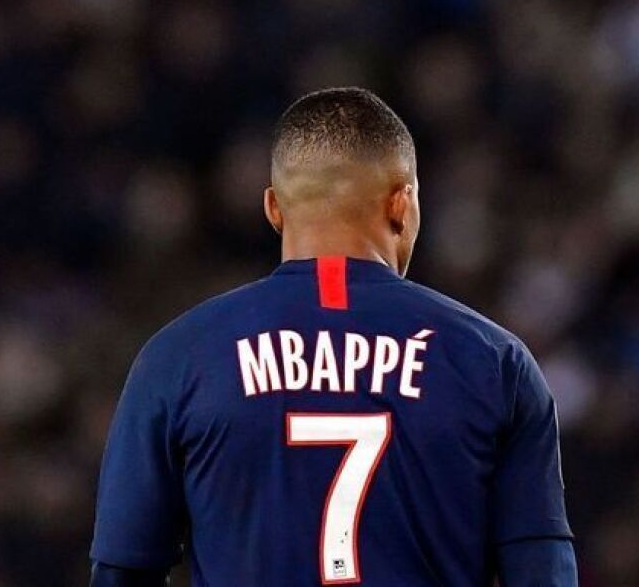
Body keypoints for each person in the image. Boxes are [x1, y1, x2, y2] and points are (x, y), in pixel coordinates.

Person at [90, 87, 577, 586]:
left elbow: (123, 569)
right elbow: (541, 572)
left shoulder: (178, 356)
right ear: (402, 203)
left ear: (274, 209)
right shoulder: (493, 360)